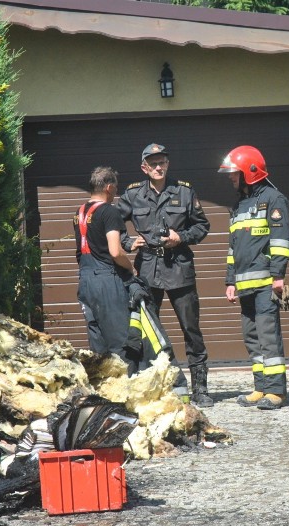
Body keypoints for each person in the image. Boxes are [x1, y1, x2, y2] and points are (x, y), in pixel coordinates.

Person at [118, 144, 213, 407]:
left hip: (179, 267)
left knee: (191, 330)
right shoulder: (133, 194)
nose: (159, 167)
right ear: (144, 167)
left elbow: (202, 225)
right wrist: (127, 243)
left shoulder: (183, 191)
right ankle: (156, 386)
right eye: (153, 163)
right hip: (148, 267)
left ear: (167, 164)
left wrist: (181, 236)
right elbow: (113, 221)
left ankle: (200, 389)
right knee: (148, 331)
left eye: (162, 163)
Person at [219, 145, 289, 410]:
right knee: (252, 337)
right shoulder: (239, 204)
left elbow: (281, 240)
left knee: (268, 335)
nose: (230, 177)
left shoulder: (274, 199)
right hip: (244, 285)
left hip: (265, 284)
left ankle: (276, 391)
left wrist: (278, 276)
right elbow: (233, 247)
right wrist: (230, 281)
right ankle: (260, 387)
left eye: (234, 173)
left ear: (249, 171)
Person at [74, 167, 135, 360]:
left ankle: (102, 387)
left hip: (85, 280)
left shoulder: (80, 211)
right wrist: (130, 267)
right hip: (107, 280)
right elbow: (115, 252)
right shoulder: (109, 212)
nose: (117, 191)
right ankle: (125, 387)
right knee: (120, 341)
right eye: (116, 187)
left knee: (97, 342)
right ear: (109, 187)